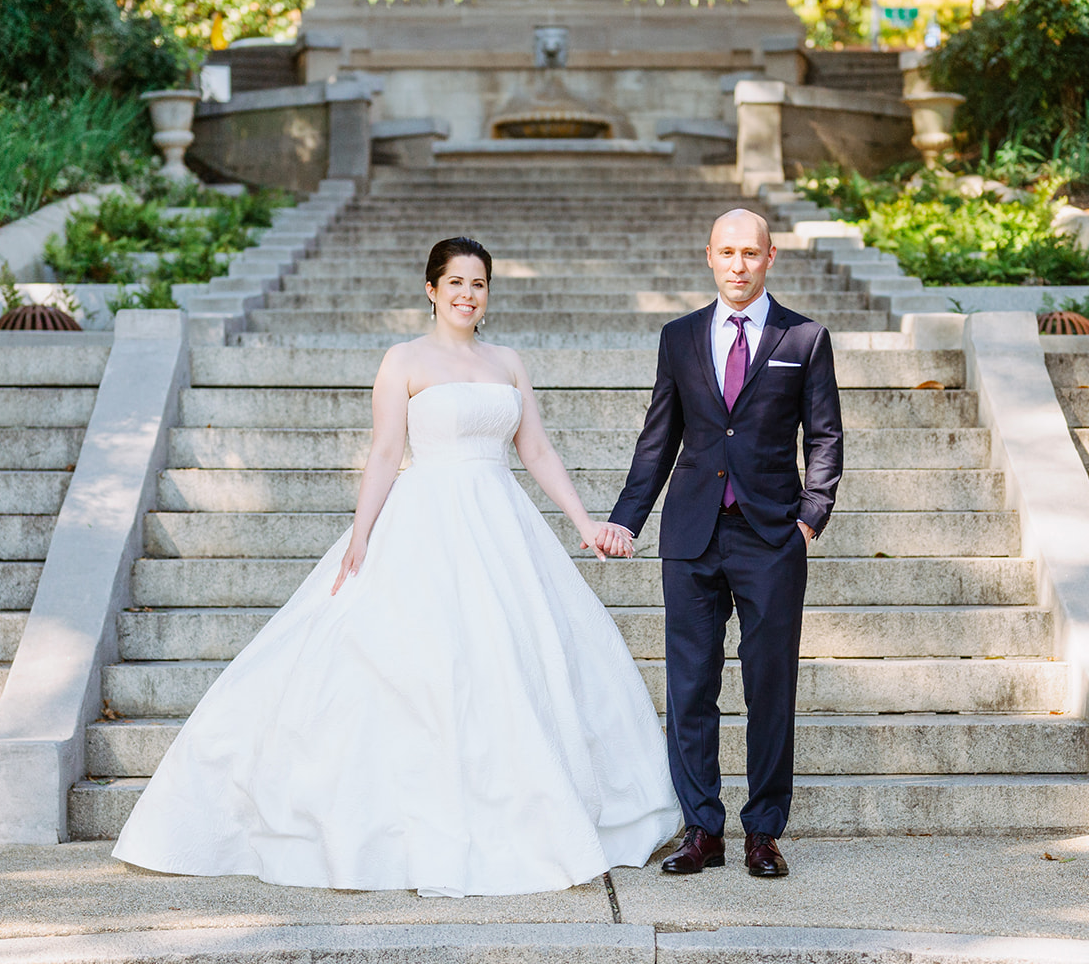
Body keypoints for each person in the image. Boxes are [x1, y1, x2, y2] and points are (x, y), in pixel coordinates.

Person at [112, 237, 682, 896]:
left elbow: (538, 451)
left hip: (500, 521)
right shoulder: (403, 360)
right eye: (456, 282)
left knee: (512, 661)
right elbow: (386, 452)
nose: (468, 294)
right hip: (425, 517)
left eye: (479, 283)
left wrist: (584, 524)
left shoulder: (507, 362)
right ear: (432, 289)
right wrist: (362, 536)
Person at [596, 209, 843, 879]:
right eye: (727, 252)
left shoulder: (805, 337)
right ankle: (701, 829)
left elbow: (824, 436)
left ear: (770, 259)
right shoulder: (679, 338)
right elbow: (659, 437)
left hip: (771, 537)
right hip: (692, 534)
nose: (739, 264)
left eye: (751, 253)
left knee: (770, 686)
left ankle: (764, 831)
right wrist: (628, 519)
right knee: (691, 686)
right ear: (709, 256)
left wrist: (810, 517)